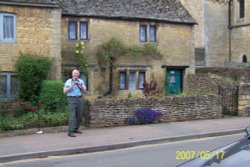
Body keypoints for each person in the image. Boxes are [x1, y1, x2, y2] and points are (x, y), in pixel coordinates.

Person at [64, 69, 87, 137]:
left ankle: (76, 129)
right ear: (72, 74)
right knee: (72, 116)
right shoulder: (69, 81)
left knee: (79, 115)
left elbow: (85, 91)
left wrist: (81, 86)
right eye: (74, 73)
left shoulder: (81, 81)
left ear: (78, 74)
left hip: (79, 98)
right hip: (71, 99)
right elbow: (64, 91)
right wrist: (72, 86)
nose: (75, 74)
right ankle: (70, 132)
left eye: (77, 73)